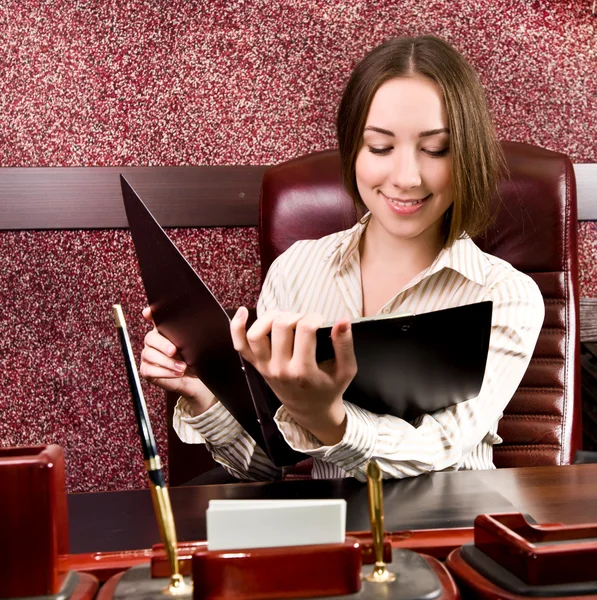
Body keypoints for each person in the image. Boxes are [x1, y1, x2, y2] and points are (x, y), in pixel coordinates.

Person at [140, 35, 544, 482]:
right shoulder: (296, 271)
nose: (406, 177)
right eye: (380, 147)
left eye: (435, 150)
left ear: (466, 155)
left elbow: (439, 448)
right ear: (352, 148)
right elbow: (267, 467)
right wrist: (203, 394)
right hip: (331, 536)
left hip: (445, 538)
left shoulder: (506, 295)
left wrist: (328, 419)